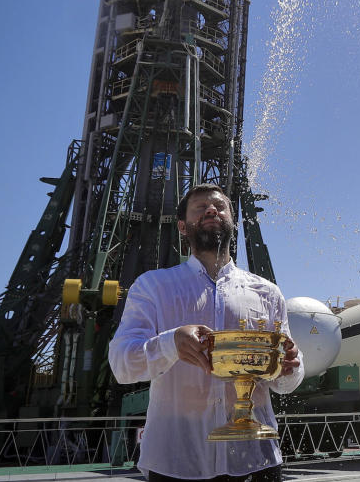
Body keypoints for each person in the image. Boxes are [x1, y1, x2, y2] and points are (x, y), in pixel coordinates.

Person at [109, 183, 304, 482]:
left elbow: (286, 382)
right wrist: (170, 343)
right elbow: (121, 364)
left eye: (219, 206)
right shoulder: (153, 287)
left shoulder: (268, 293)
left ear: (233, 222)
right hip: (176, 461)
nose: (212, 210)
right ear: (183, 227)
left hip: (256, 460)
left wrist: (289, 367)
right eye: (200, 208)